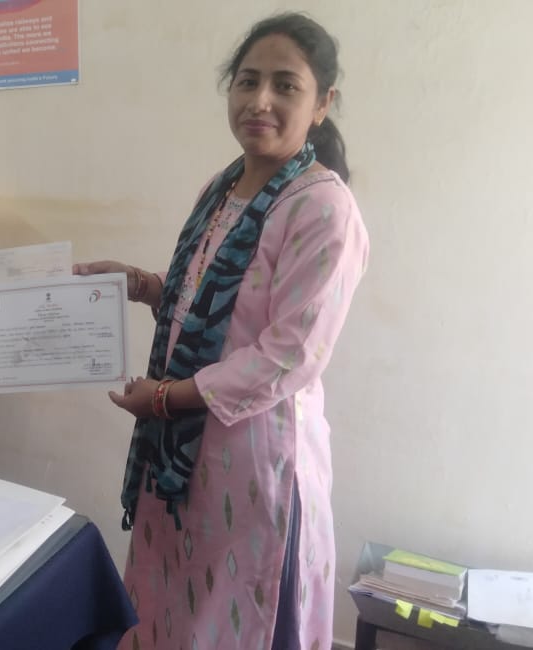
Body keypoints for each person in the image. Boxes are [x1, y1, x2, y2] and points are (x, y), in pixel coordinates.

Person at [74, 13, 369, 650]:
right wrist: (141, 284)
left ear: (322, 103)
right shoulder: (222, 186)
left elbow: (289, 355)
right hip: (182, 455)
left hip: (255, 459)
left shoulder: (323, 206)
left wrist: (164, 397)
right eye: (247, 81)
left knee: (236, 618)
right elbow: (212, 301)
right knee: (176, 607)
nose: (260, 101)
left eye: (285, 86)